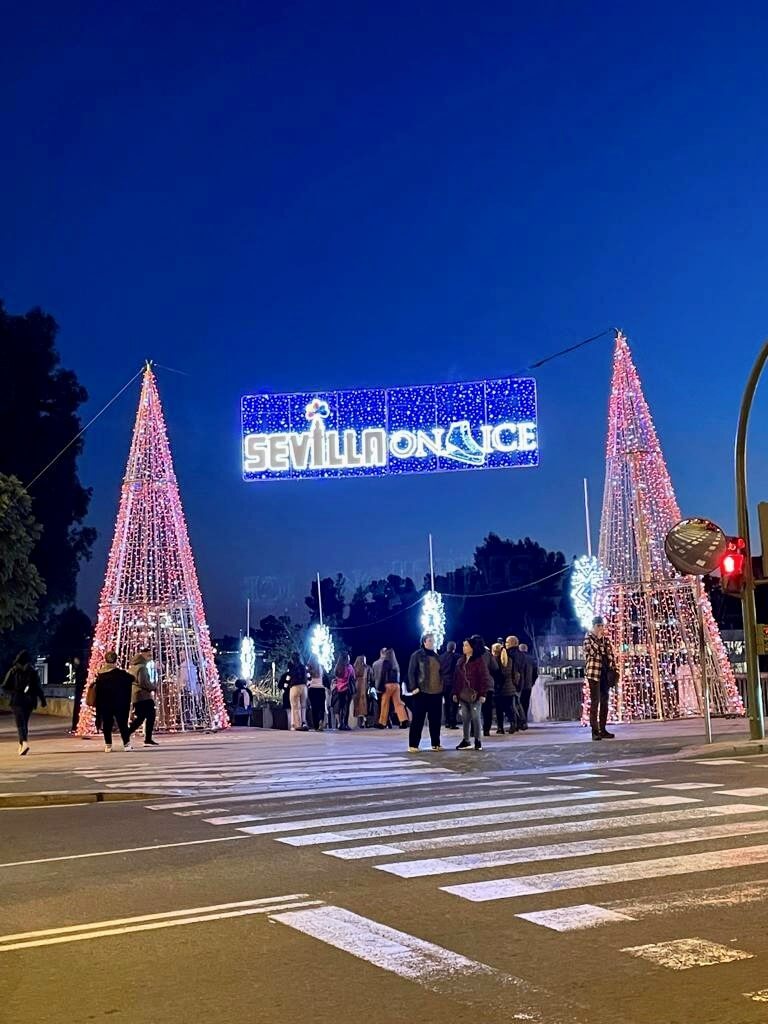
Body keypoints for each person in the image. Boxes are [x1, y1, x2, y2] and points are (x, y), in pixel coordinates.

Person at [2, 650, 46, 755]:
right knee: (24, 723)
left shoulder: (13, 671)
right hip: (30, 701)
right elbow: (38, 688)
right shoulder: (33, 671)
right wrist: (43, 700)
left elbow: (4, 686)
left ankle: (24, 743)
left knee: (20, 724)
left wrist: (13, 691)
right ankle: (22, 744)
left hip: (17, 700)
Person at [452, 637, 492, 750]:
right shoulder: (460, 661)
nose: (464, 647)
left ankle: (478, 740)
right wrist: (455, 693)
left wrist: (483, 694)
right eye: (464, 645)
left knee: (475, 717)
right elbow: (456, 678)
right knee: (465, 718)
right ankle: (466, 740)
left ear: (472, 647)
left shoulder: (479, 661)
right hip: (462, 694)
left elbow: (484, 678)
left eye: (466, 645)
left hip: (475, 694)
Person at [407, 633, 444, 752]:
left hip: (436, 693)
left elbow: (441, 673)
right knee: (418, 720)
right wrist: (414, 687)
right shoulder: (417, 655)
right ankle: (413, 745)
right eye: (430, 640)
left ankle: (436, 743)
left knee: (435, 720)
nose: (432, 642)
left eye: (433, 640)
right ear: (424, 642)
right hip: (421, 692)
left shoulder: (437, 656)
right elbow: (411, 672)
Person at [584, 616, 618, 741]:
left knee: (605, 701)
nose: (601, 628)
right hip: (594, 673)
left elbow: (610, 655)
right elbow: (592, 652)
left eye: (602, 626)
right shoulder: (588, 638)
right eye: (598, 626)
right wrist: (598, 641)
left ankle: (603, 729)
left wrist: (614, 670)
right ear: (593, 626)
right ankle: (595, 730)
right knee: (595, 701)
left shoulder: (606, 640)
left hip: (605, 673)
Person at [95, 651, 134, 751]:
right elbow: (132, 679)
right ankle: (126, 744)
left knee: (107, 724)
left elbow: (98, 691)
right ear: (116, 660)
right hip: (119, 703)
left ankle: (108, 745)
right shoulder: (121, 674)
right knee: (122, 724)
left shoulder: (100, 675)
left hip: (105, 703)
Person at [127, 652, 159, 746]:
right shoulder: (142, 668)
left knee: (140, 717)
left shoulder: (131, 669)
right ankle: (147, 738)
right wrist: (153, 687)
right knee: (151, 716)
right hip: (143, 695)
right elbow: (143, 682)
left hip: (135, 696)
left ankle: (128, 733)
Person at [498, 636, 526, 734]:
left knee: (511, 705)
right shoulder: (522, 655)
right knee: (517, 703)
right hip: (520, 681)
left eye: (507, 642)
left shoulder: (510, 654)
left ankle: (517, 722)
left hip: (512, 682)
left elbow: (509, 668)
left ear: (512, 643)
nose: (506, 644)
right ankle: (522, 722)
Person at [376, 647, 408, 729]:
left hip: (388, 685)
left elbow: (383, 675)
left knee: (384, 703)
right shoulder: (396, 664)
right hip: (397, 685)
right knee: (398, 703)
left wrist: (380, 686)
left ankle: (382, 723)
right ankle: (404, 721)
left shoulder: (386, 662)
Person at [474, 635, 497, 737]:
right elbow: (495, 667)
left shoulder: (470, 655)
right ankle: (486, 729)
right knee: (487, 709)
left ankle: (473, 730)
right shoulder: (487, 654)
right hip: (487, 684)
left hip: (473, 685)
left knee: (473, 708)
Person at [331, 654, 356, 731]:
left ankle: (340, 724)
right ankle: (345, 724)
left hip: (338, 689)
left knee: (340, 707)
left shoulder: (337, 667)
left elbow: (335, 677)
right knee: (346, 708)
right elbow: (353, 677)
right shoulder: (349, 667)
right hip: (347, 689)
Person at [285, 652, 309, 731]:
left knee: (295, 706)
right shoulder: (303, 667)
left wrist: (285, 687)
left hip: (294, 686)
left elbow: (288, 677)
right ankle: (304, 722)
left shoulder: (291, 667)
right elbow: (308, 677)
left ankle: (297, 724)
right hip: (304, 687)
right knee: (303, 706)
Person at [439, 641, 460, 729]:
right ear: (454, 648)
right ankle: (453, 722)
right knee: (454, 703)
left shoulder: (440, 657)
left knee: (446, 703)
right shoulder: (457, 657)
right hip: (453, 683)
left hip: (443, 683)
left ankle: (447, 721)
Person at [519, 642, 539, 725]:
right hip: (528, 685)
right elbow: (535, 673)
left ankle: (520, 720)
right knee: (525, 703)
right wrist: (532, 682)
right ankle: (525, 720)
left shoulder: (517, 658)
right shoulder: (532, 659)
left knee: (518, 703)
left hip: (518, 685)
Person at [307, 656, 327, 731]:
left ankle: (316, 725)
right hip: (321, 689)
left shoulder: (309, 669)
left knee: (314, 708)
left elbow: (307, 679)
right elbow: (325, 678)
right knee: (321, 707)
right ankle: (321, 720)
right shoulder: (321, 667)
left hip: (312, 689)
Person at [353, 655, 373, 728]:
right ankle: (365, 722)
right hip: (364, 687)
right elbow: (371, 677)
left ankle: (360, 723)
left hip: (356, 687)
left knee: (358, 705)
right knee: (365, 705)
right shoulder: (367, 668)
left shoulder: (354, 668)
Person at [70, 656, 87, 733]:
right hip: (81, 691)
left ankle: (76, 726)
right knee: (78, 709)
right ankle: (76, 726)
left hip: (81, 691)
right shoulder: (81, 669)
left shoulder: (80, 669)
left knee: (78, 709)